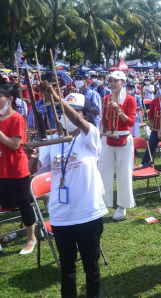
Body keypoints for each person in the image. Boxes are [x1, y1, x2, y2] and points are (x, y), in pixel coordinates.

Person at [27, 89, 108, 298]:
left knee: (92, 268)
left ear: (86, 115)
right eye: (60, 111)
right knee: (67, 269)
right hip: (61, 215)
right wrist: (34, 157)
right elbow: (33, 169)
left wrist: (56, 97)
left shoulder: (90, 136)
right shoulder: (53, 139)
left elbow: (79, 123)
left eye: (72, 111)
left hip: (88, 212)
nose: (65, 115)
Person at [0, 83, 36, 255]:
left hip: (16, 168)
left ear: (10, 100)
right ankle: (37, 194)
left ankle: (31, 238)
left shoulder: (17, 118)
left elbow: (15, 145)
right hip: (1, 168)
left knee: (23, 204)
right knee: (6, 203)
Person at [98, 71, 137, 221]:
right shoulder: (105, 99)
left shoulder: (130, 99)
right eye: (111, 81)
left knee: (124, 173)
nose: (113, 83)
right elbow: (103, 120)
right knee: (103, 172)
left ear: (123, 83)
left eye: (116, 81)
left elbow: (131, 122)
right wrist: (102, 133)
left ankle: (122, 206)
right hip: (107, 138)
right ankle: (102, 203)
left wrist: (119, 111)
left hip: (124, 138)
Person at [140, 79, 161, 168]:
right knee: (151, 145)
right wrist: (152, 123)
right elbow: (151, 114)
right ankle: (145, 162)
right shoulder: (154, 101)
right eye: (160, 88)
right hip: (156, 128)